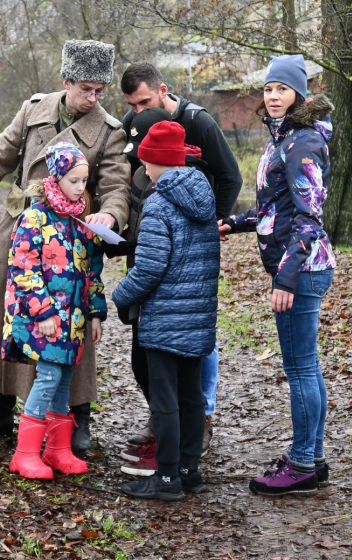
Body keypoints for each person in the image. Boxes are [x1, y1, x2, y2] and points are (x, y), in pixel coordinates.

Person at [0, 39, 130, 451]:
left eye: (99, 90)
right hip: (19, 229)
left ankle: (76, 417)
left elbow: (116, 186)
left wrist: (109, 215)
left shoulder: (109, 131)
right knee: (0, 314)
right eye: (85, 89)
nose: (92, 98)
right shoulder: (33, 110)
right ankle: (0, 406)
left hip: (69, 243)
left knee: (70, 326)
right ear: (66, 81)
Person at [219, 54, 337, 496]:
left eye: (282, 89)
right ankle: (314, 457)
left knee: (302, 368)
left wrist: (285, 278)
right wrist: (238, 221)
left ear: (299, 95)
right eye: (268, 89)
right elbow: (276, 208)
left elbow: (309, 219)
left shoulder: (303, 142)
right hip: (301, 265)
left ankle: (303, 463)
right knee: (308, 366)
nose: (272, 96)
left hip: (301, 269)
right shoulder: (283, 137)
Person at [119, 62, 242, 456]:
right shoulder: (134, 123)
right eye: (130, 106)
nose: (136, 112)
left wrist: (212, 223)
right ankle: (162, 416)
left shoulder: (198, 123)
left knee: (191, 341)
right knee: (147, 347)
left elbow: (231, 177)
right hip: (149, 241)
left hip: (190, 252)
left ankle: (199, 420)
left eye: (143, 102)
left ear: (163, 90)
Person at [112, 121, 219, 501]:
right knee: (190, 396)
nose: (144, 171)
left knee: (164, 402)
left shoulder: (159, 202)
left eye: (146, 164)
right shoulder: (203, 196)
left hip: (164, 320)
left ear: (155, 162)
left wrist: (121, 295)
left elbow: (151, 267)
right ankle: (189, 470)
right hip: (196, 317)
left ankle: (167, 478)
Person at [2, 143, 106, 479]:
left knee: (63, 380)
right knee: (47, 377)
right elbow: (23, 267)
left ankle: (58, 449)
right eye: (74, 180)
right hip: (43, 318)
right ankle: (25, 452)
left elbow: (92, 269)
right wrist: (42, 311)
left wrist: (94, 313)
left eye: (84, 181)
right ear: (57, 178)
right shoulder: (35, 217)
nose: (80, 187)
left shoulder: (78, 221)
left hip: (72, 319)